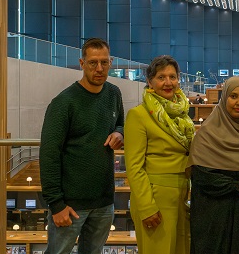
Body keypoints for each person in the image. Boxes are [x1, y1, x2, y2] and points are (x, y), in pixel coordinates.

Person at [40, 38, 125, 254]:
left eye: (104, 63)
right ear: (82, 63)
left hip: (104, 202)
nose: (99, 69)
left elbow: (120, 124)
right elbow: (49, 155)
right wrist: (56, 204)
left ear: (111, 62)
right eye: (93, 63)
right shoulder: (63, 103)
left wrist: (119, 132)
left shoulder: (114, 93)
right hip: (70, 205)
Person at [187, 76, 239, 254]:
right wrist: (238, 187)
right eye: (233, 96)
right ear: (224, 98)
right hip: (216, 225)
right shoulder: (207, 136)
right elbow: (202, 178)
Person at [124, 55, 195, 254]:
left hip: (181, 196)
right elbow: (134, 167)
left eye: (172, 77)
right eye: (161, 77)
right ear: (150, 82)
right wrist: (147, 207)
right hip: (155, 200)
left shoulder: (182, 115)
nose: (168, 82)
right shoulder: (138, 115)